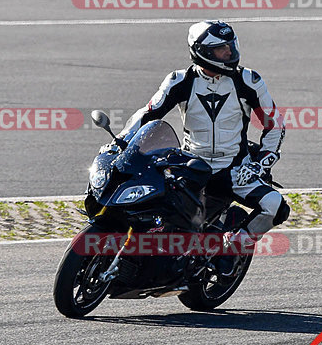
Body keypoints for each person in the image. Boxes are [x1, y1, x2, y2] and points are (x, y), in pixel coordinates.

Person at [111, 20, 290, 275]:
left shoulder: (249, 81)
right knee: (149, 200)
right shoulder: (180, 81)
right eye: (222, 49)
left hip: (235, 168)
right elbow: (148, 114)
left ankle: (232, 248)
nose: (231, 53)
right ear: (202, 52)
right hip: (190, 165)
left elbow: (275, 125)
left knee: (276, 205)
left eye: (231, 46)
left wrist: (259, 164)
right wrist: (122, 140)